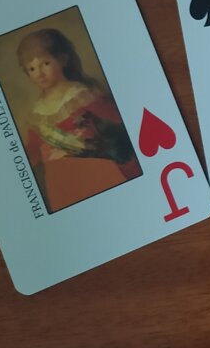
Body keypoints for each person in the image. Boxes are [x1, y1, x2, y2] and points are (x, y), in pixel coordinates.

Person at [16, 29, 141, 214]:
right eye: (32, 69)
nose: (39, 73)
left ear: (62, 60)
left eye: (45, 64)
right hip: (61, 182)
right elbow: (33, 151)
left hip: (94, 169)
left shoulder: (80, 95)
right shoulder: (36, 114)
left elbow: (121, 119)